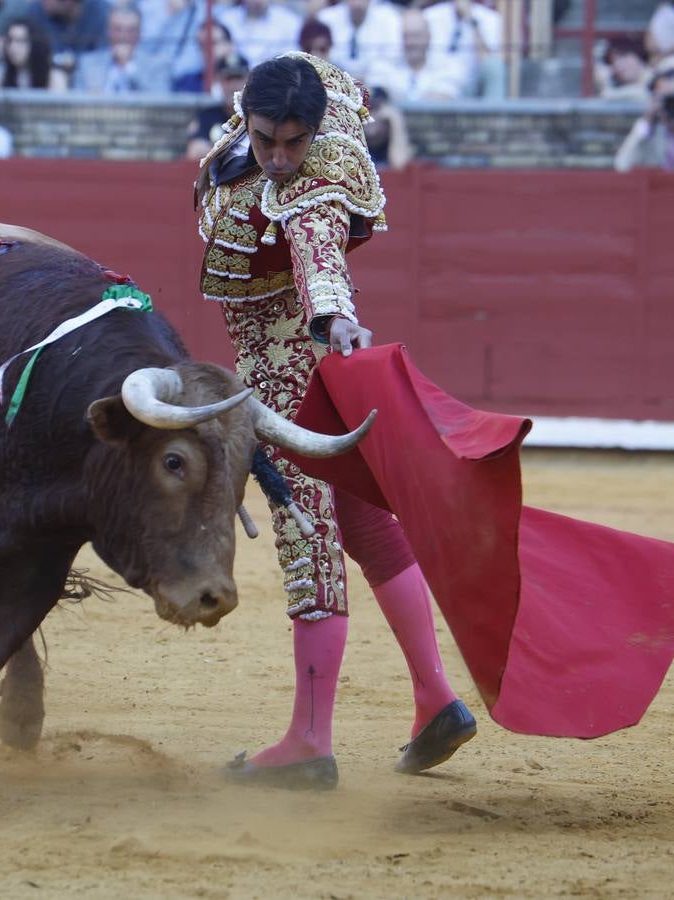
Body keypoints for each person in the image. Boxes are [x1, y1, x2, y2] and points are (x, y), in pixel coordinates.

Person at [195, 53, 475, 790]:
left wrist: (337, 314)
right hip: (315, 373)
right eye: (267, 141)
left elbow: (319, 250)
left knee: (307, 538)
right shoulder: (286, 104)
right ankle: (435, 698)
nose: (282, 159)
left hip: (291, 380)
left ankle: (310, 739)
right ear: (246, 117)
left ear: (315, 132)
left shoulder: (314, 180)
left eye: (295, 142)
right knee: (364, 527)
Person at [367, 6, 470, 103]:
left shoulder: (448, 66)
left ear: (428, 37)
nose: (411, 42)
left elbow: (444, 98)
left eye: (416, 36)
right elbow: (376, 95)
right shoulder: (384, 65)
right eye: (406, 36)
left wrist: (392, 97)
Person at [73, 5, 170, 93]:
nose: (123, 36)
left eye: (130, 30)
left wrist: (128, 67)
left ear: (139, 33)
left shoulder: (157, 66)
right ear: (108, 31)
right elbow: (78, 101)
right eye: (118, 29)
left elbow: (161, 103)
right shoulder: (88, 64)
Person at [422, 0, 506, 98]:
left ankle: (494, 112)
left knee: (494, 65)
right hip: (432, 82)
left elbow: (488, 64)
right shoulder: (429, 15)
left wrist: (470, 19)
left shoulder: (491, 19)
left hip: (469, 87)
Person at [185, 52, 251, 159]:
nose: (233, 85)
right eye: (228, 78)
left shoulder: (257, 115)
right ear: (218, 81)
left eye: (238, 77)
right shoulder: (208, 116)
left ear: (248, 80)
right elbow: (195, 150)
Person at [316, 0, 404, 81]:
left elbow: (393, 59)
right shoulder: (326, 18)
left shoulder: (389, 18)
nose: (357, 4)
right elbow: (320, 56)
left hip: (376, 84)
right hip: (335, 81)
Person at [20, 0, 113, 74]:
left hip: (90, 82)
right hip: (48, 79)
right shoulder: (37, 10)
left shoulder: (102, 11)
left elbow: (103, 57)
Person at [216, 0, 305, 72]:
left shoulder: (290, 21)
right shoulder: (226, 20)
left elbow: (293, 58)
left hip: (275, 81)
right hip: (235, 78)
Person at [0, 17, 70, 89]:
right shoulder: (1, 75)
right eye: (10, 41)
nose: (12, 47)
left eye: (20, 41)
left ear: (35, 44)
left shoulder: (54, 77)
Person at [596, 35, 654, 101]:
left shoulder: (655, 77)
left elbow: (645, 93)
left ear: (638, 55)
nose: (618, 66)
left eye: (622, 57)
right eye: (612, 62)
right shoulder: (621, 86)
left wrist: (607, 90)